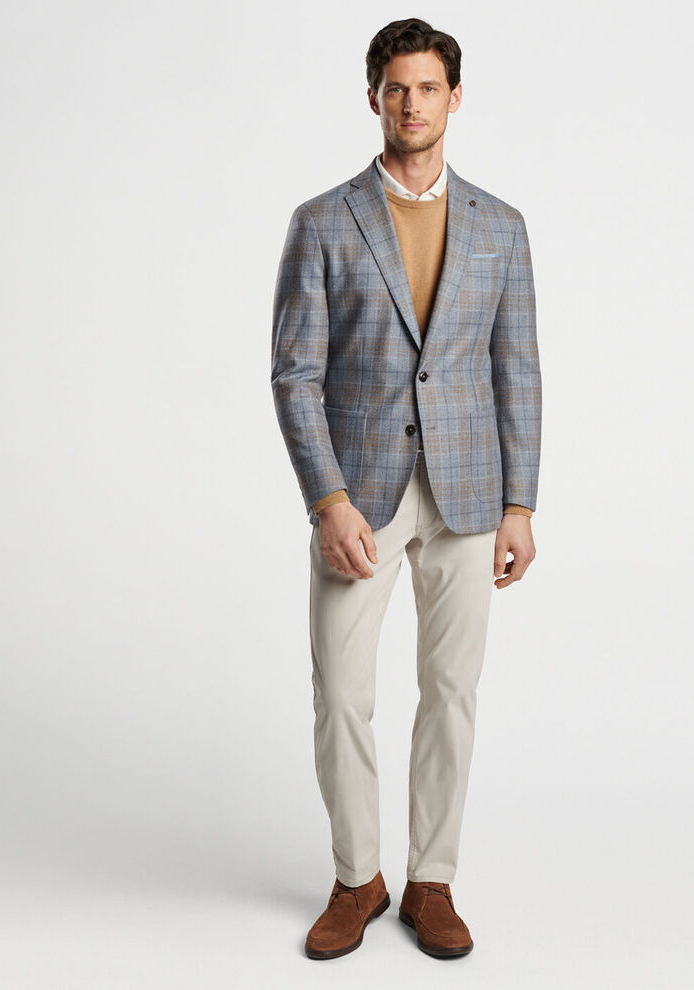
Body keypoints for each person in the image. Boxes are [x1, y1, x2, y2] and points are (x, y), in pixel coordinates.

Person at [271, 17, 542, 960]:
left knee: (451, 690)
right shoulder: (322, 221)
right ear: (374, 98)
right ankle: (359, 878)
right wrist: (327, 500)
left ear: (454, 98)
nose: (412, 103)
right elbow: (295, 376)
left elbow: (518, 371)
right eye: (397, 88)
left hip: (469, 490)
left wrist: (520, 504)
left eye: (428, 88)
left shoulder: (500, 227)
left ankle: (431, 880)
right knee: (341, 692)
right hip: (360, 498)